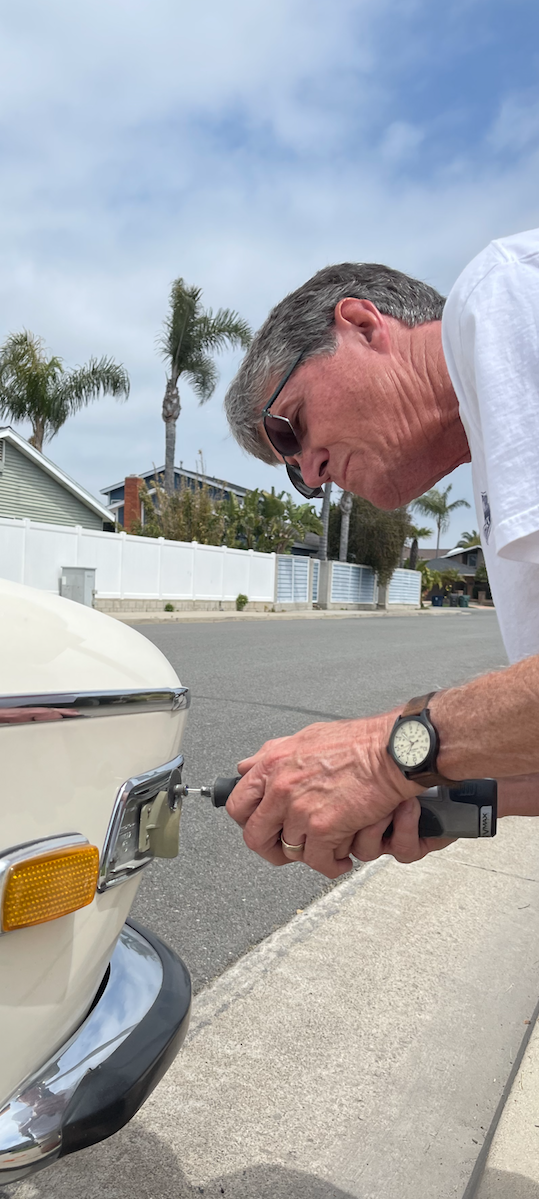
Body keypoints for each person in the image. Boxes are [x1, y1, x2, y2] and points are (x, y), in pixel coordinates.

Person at [223, 228, 539, 879]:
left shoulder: (503, 296)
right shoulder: (494, 469)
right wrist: (432, 790)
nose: (311, 475)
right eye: (292, 472)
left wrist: (382, 754)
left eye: (290, 427)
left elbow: (388, 755)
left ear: (363, 325)